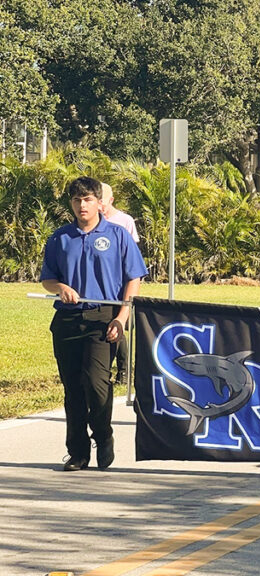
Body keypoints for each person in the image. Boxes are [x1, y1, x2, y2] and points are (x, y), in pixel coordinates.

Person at [41, 176, 147, 471]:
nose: (82, 205)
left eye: (87, 199)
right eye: (76, 200)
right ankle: (77, 452)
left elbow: (133, 278)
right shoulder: (60, 238)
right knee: (73, 388)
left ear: (100, 203)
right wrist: (59, 287)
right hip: (68, 319)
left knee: (97, 384)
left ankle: (104, 435)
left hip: (105, 318)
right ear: (70, 204)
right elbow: (48, 278)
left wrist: (121, 318)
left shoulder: (117, 235)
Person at [99, 182, 139, 388]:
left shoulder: (125, 221)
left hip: (122, 285)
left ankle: (124, 371)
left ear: (110, 200)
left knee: (120, 325)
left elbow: (133, 258)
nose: (99, 208)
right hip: (101, 287)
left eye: (102, 203)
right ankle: (107, 369)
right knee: (109, 327)